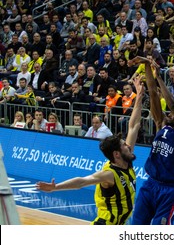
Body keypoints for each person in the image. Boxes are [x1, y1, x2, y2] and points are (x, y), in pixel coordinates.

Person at [36, 76, 145, 225]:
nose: (128, 146)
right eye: (124, 145)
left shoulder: (126, 159)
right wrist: (56, 188)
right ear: (116, 154)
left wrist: (138, 96)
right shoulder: (109, 174)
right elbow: (82, 182)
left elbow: (133, 126)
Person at [131, 57, 174, 225]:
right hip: (150, 183)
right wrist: (147, 66)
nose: (169, 113)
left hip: (168, 189)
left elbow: (173, 105)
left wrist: (160, 77)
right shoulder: (162, 125)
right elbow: (153, 94)